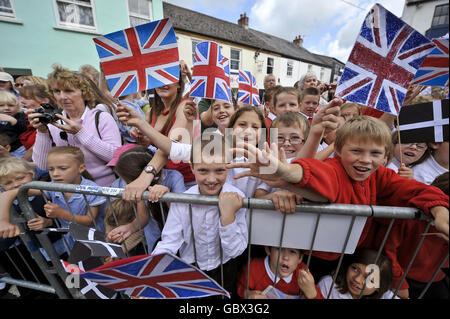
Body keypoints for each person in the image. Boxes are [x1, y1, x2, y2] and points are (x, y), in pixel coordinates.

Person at [227, 116, 449, 278]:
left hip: (351, 257)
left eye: (375, 153)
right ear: (339, 150)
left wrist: (439, 209)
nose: (365, 160)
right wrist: (286, 172)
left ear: (384, 156)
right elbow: (318, 175)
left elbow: (412, 189)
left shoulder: (382, 176)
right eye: (356, 151)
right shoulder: (334, 168)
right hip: (312, 257)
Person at [152, 134, 248, 296]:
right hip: (191, 268)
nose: (211, 179)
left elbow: (235, 250)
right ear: (192, 167)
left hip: (226, 267)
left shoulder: (237, 198)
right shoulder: (182, 201)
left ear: (228, 167)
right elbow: (170, 241)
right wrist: (151, 270)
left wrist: (228, 217)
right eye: (203, 170)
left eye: (219, 170)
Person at [27, 64, 122, 186]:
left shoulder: (101, 117)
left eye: (69, 91)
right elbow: (43, 165)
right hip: (67, 192)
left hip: (102, 188)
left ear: (85, 93)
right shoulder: (53, 122)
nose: (62, 97)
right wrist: (42, 132)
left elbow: (115, 157)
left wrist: (80, 132)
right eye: (57, 91)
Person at [375, 171, 449, 299]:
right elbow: (386, 249)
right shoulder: (411, 215)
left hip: (435, 280)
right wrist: (399, 283)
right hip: (400, 279)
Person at [107, 145, 182, 251]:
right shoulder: (138, 188)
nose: (127, 185)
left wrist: (167, 196)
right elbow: (143, 216)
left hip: (179, 239)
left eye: (127, 181)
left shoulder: (174, 177)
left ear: (139, 178)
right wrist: (130, 228)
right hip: (155, 237)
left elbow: (183, 214)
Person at [43, 146, 106, 249]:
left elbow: (89, 220)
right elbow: (29, 190)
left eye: (62, 168)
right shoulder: (53, 185)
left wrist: (61, 214)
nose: (55, 174)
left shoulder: (91, 189)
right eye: (51, 169)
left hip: (94, 239)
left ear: (81, 168)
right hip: (71, 240)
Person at [237, 246, 323, 299]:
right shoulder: (253, 268)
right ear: (268, 250)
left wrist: (312, 293)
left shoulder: (302, 273)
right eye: (280, 249)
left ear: (300, 258)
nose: (286, 257)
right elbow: (239, 289)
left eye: (292, 251)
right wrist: (247, 294)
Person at [312, 248, 398, 299]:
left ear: (379, 287)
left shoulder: (386, 296)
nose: (357, 279)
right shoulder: (328, 284)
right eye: (355, 269)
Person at [0, 90, 29, 158]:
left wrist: (14, 121)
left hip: (18, 150)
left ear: (17, 107)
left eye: (11, 105)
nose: (7, 108)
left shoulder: (21, 116)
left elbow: (26, 129)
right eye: (1, 105)